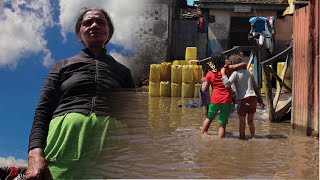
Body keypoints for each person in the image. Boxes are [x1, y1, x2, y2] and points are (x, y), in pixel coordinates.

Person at [26, 8, 135, 179]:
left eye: (100, 22)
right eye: (87, 23)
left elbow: (134, 117)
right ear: (80, 33)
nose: (94, 25)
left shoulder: (123, 71)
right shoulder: (62, 66)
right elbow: (43, 111)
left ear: (109, 33)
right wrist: (34, 153)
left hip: (114, 150)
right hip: (64, 145)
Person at [200, 52, 246, 138]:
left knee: (209, 118)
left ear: (212, 62)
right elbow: (243, 64)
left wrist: (204, 80)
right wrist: (227, 65)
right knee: (222, 124)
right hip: (226, 100)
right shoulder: (227, 69)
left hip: (215, 100)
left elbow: (204, 89)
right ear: (224, 61)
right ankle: (220, 142)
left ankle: (202, 136)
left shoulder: (209, 74)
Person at [221, 54, 265, 139]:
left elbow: (227, 84)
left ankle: (242, 139)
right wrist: (260, 100)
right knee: (251, 122)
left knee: (242, 122)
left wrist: (223, 74)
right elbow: (256, 87)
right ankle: (253, 138)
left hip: (243, 100)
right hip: (253, 98)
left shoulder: (235, 74)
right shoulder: (249, 72)